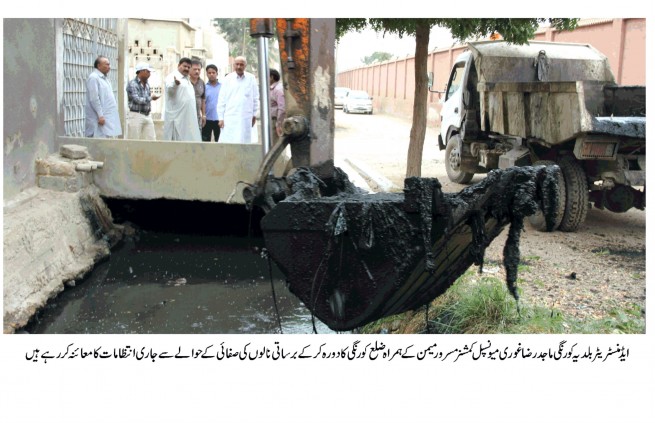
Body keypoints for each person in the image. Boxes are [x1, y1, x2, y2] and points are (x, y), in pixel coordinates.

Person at [217, 56, 259, 143]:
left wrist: (254, 114)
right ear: (233, 65)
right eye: (237, 64)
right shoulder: (227, 78)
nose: (239, 67)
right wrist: (221, 118)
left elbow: (255, 98)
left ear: (245, 66)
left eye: (241, 64)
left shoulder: (251, 78)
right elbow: (222, 99)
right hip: (230, 116)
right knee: (230, 141)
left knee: (246, 141)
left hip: (246, 117)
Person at [163, 57, 201, 141]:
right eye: (184, 66)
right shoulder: (172, 77)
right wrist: (175, 84)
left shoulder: (187, 79)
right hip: (177, 119)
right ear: (179, 65)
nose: (186, 69)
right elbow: (169, 89)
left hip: (188, 119)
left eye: (188, 67)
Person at [85, 55, 122, 138]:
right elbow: (94, 98)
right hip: (99, 119)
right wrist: (100, 115)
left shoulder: (104, 79)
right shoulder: (94, 78)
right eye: (107, 64)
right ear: (98, 65)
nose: (109, 67)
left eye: (109, 64)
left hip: (106, 119)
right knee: (96, 143)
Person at [126, 62, 160, 140]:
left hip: (147, 115)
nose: (149, 74)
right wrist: (151, 98)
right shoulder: (133, 84)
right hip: (136, 115)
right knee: (134, 140)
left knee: (151, 139)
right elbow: (137, 99)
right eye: (147, 71)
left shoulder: (147, 84)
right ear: (141, 71)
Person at [202, 64, 221, 142]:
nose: (211, 74)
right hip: (207, 120)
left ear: (217, 73)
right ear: (206, 74)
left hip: (219, 119)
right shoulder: (204, 87)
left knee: (219, 142)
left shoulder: (222, 87)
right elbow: (202, 102)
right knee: (205, 143)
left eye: (213, 72)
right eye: (209, 73)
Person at [269, 68, 286, 144]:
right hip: (272, 121)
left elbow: (282, 108)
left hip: (275, 121)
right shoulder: (271, 89)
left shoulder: (278, 90)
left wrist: (278, 124)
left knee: (274, 145)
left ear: (271, 77)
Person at [189, 59, 206, 134]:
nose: (197, 71)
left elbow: (203, 99)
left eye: (199, 69)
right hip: (186, 116)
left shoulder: (201, 82)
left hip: (198, 117)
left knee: (197, 137)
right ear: (189, 69)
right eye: (194, 69)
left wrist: (204, 115)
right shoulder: (185, 82)